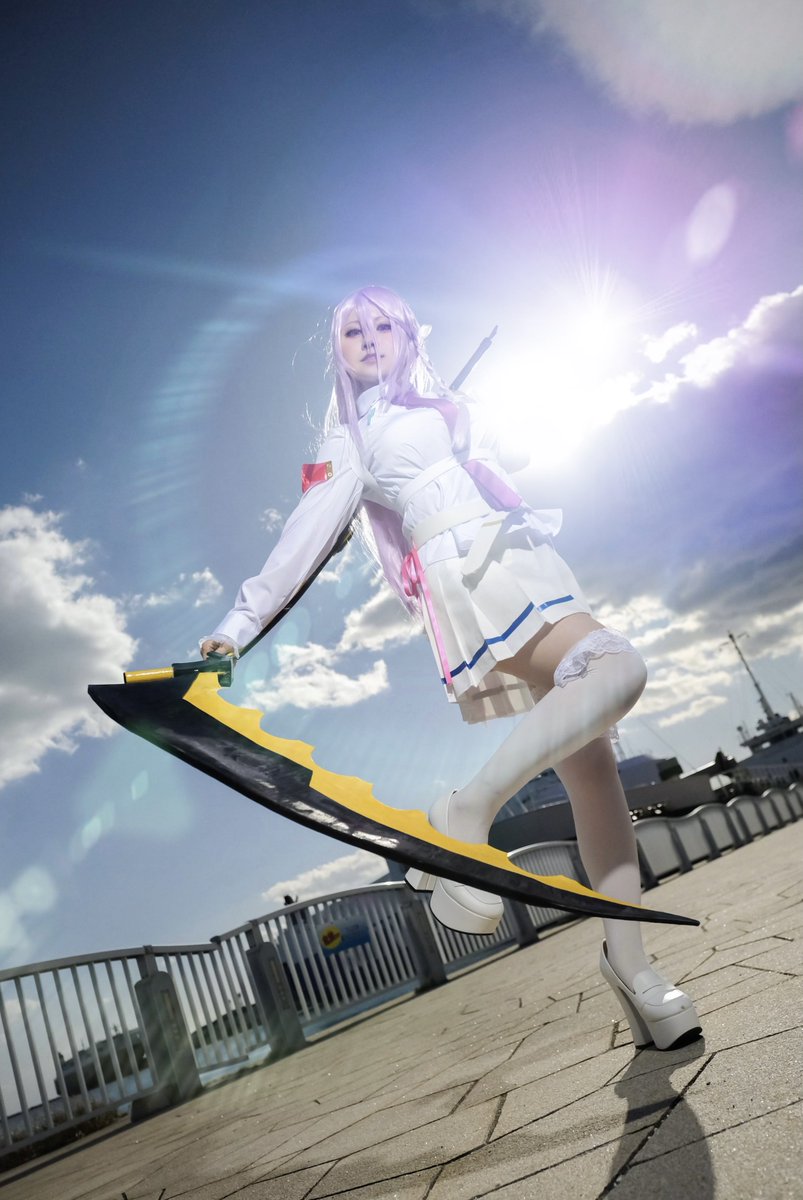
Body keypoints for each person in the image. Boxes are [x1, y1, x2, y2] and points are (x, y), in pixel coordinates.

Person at [201, 285, 700, 1051]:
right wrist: (236, 627)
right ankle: (467, 811)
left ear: (409, 335)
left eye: (383, 325)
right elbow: (300, 538)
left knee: (594, 772)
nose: (369, 338)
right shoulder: (348, 438)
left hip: (524, 554)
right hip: (468, 570)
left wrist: (469, 419)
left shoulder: (446, 406)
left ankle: (631, 967)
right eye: (352, 331)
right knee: (615, 669)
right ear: (337, 353)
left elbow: (515, 455)